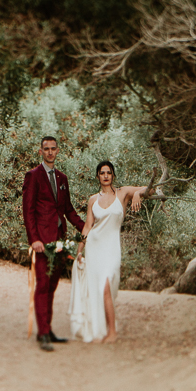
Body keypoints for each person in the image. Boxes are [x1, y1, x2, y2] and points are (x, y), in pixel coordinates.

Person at [68, 160, 148, 344]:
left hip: (112, 249)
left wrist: (137, 194)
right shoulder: (93, 200)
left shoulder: (123, 193)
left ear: (113, 175)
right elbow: (88, 226)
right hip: (94, 248)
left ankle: (111, 331)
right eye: (102, 173)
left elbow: (148, 189)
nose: (105, 176)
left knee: (107, 287)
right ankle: (106, 330)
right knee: (98, 289)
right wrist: (79, 251)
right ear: (97, 176)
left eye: (109, 173)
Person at [22, 136, 85, 352]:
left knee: (53, 286)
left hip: (60, 241)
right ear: (41, 151)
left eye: (53, 149)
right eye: (46, 149)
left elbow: (68, 210)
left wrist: (86, 228)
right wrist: (35, 240)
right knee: (42, 285)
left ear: (58, 151)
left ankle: (47, 330)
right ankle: (43, 333)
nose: (50, 152)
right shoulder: (33, 176)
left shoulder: (62, 178)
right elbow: (28, 211)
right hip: (42, 243)